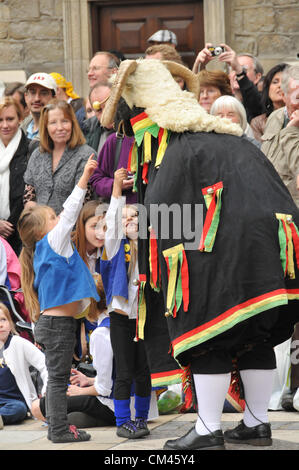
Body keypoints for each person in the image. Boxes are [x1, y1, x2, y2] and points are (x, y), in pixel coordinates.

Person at [101, 58, 299, 450]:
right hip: (270, 247)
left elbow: (169, 218)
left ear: (146, 118)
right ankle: (257, 423)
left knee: (211, 335)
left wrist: (146, 227)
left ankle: (209, 429)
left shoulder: (177, 146)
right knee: (252, 334)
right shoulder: (229, 138)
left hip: (220, 251)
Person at [17, 156, 99, 443]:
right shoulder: (53, 241)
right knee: (58, 381)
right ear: (43, 230)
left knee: (57, 379)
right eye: (53, 218)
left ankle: (58, 428)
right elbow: (72, 208)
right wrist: (85, 176)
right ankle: (60, 430)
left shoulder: (46, 247)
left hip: (56, 324)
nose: (59, 219)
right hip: (58, 326)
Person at [100, 168, 152, 439]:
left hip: (144, 315)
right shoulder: (112, 244)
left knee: (144, 370)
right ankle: (123, 421)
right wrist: (117, 189)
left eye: (135, 216)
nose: (129, 221)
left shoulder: (149, 245)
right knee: (124, 370)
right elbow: (113, 219)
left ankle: (141, 419)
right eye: (125, 218)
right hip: (121, 316)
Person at [23, 99, 96, 216]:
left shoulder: (86, 155)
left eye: (65, 121)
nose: (60, 127)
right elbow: (29, 197)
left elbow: (82, 200)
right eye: (53, 123)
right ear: (45, 126)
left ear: (73, 123)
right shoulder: (37, 154)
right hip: (39, 229)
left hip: (72, 230)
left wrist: (56, 226)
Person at [0, 302, 47, 429]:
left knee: (18, 409)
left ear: (10, 323)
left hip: (13, 402)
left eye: (3, 319)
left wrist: (46, 389)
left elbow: (44, 364)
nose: (0, 324)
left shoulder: (17, 343)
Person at [193, 43, 264, 122]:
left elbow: (255, 103)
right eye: (233, 69)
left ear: (257, 77)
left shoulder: (261, 99)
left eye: (243, 69)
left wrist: (239, 72)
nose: (235, 74)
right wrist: (198, 65)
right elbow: (192, 94)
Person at [261, 65, 299, 207]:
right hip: (267, 204)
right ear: (283, 95)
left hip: (292, 211)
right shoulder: (275, 116)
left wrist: (292, 131)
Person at [90, 98, 136, 204]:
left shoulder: (159, 139)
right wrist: (115, 184)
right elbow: (96, 179)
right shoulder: (116, 140)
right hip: (122, 214)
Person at [0, 96, 29, 254]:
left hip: (22, 235)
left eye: (10, 119)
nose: (5, 125)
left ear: (20, 118)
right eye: (0, 119)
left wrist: (10, 225)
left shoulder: (31, 149)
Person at [251, 63, 288, 142]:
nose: (280, 85)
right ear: (268, 89)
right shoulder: (258, 122)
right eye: (275, 82)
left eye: (285, 81)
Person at [21, 73, 57, 153]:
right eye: (33, 92)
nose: (37, 98)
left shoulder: (58, 131)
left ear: (54, 98)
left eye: (43, 93)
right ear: (26, 97)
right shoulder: (21, 128)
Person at [83, 82, 114, 154]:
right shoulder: (88, 132)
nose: (105, 115)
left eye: (108, 108)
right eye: (99, 110)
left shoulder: (131, 132)